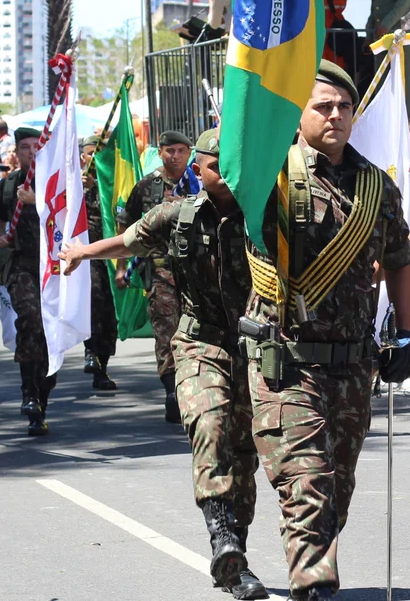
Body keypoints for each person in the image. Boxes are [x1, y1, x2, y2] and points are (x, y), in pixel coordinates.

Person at [60, 129, 267, 600]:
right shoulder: (178, 215)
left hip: (250, 350)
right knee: (208, 426)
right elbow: (128, 240)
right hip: (198, 344)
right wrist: (80, 253)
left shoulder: (263, 215)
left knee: (243, 453)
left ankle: (236, 558)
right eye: (219, 166)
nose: (229, 176)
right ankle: (221, 533)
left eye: (235, 166)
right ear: (200, 170)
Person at [240, 60, 410, 601]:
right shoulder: (268, 172)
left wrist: (406, 333)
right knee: (307, 478)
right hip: (286, 360)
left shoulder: (374, 186)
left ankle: (312, 558)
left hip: (352, 364)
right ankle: (313, 584)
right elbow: (230, 190)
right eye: (323, 105)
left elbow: (400, 259)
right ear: (298, 115)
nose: (336, 115)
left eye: (344, 106)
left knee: (336, 484)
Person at [117, 131, 197, 424]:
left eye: (181, 150)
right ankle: (171, 390)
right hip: (160, 270)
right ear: (160, 153)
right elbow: (126, 223)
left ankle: (192, 387)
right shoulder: (148, 185)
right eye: (169, 151)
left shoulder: (200, 181)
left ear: (189, 153)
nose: (175, 156)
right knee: (167, 331)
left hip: (197, 272)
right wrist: (121, 268)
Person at [0, 127, 57, 436]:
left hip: (52, 268)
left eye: (36, 146)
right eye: (25, 147)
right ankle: (29, 395)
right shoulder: (8, 185)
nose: (32, 151)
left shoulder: (56, 184)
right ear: (17, 152)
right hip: (20, 265)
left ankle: (40, 397)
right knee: (31, 319)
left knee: (47, 333)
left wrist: (38, 201)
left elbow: (69, 214)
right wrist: (1, 236)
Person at [80, 135, 118, 391]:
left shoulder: (112, 183)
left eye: (99, 154)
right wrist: (81, 190)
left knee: (110, 313)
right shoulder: (74, 185)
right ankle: (90, 350)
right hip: (86, 256)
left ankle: (101, 367)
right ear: (83, 157)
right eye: (91, 154)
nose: (95, 159)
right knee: (94, 301)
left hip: (114, 255)